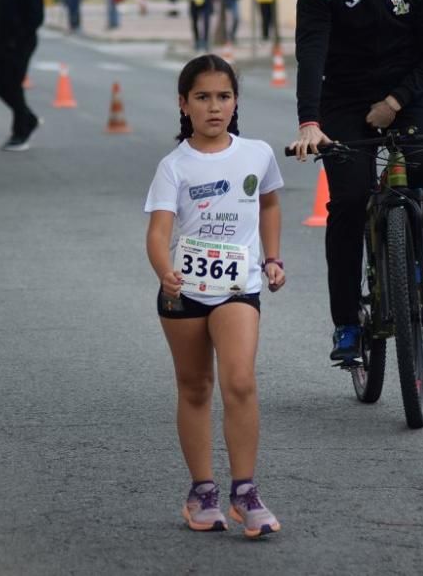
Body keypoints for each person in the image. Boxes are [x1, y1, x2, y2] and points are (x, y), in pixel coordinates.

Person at [290, 0, 423, 364]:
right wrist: (309, 122)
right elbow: (311, 55)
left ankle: (412, 262)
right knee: (347, 201)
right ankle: (345, 323)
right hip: (342, 102)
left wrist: (397, 101)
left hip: (404, 98)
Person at [145, 54, 285, 538]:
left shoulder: (257, 154)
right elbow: (158, 231)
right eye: (202, 97)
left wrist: (272, 257)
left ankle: (245, 491)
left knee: (241, 381)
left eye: (223, 97)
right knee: (196, 387)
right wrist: (165, 271)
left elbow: (268, 202)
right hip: (183, 290)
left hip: (237, 287)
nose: (213, 107)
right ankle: (201, 491)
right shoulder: (173, 166)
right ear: (183, 104)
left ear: (236, 102)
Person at [0, 0, 44, 152]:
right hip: (1, 43)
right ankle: (29, 118)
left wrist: (18, 39)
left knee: (13, 85)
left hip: (21, 44)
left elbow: (36, 18)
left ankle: (21, 132)